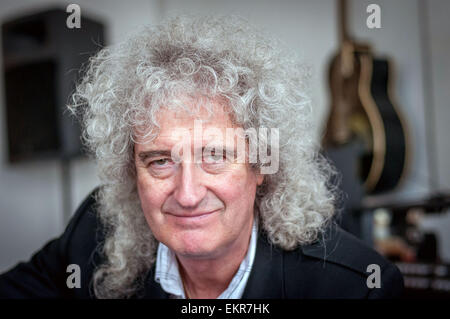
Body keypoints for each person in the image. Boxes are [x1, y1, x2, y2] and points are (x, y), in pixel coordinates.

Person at [0, 15, 403, 299]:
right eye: (160, 161)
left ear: (260, 164)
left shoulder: (355, 286)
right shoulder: (93, 232)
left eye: (214, 156)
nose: (188, 194)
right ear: (131, 170)